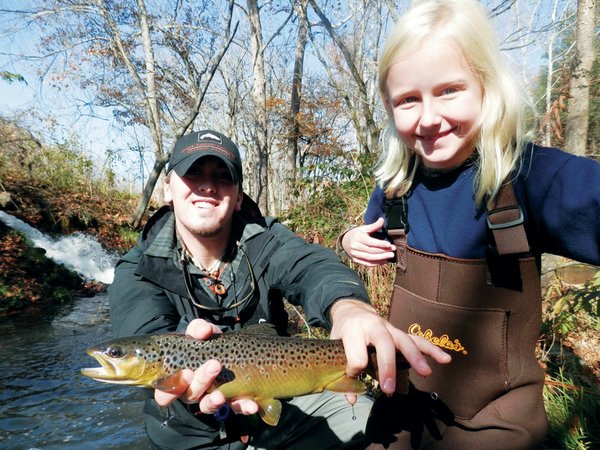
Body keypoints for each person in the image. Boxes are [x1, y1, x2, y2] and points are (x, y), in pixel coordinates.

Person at [338, 0, 600, 449]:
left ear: (486, 86)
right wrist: (350, 240)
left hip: (495, 425)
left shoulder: (533, 179)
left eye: (449, 90)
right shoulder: (395, 188)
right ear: (387, 104)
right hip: (401, 407)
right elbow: (370, 234)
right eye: (407, 100)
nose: (429, 118)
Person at [108, 129, 449, 449]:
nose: (207, 187)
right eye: (193, 174)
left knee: (380, 425)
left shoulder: (264, 238)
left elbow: (312, 266)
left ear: (239, 196)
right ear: (168, 188)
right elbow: (147, 333)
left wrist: (348, 307)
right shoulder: (136, 269)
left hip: (283, 411)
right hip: (187, 434)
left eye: (222, 177)